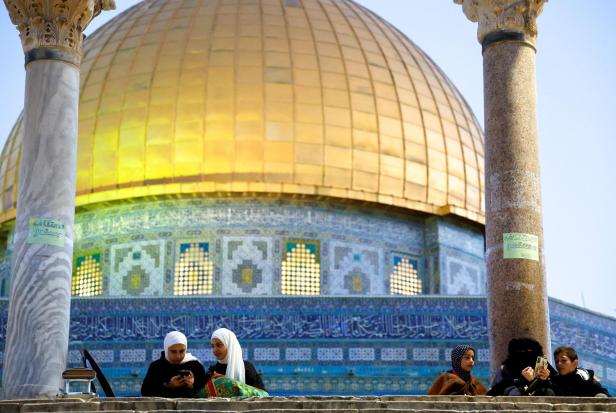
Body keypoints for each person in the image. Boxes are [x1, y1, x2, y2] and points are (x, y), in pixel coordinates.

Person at [141, 331, 207, 398]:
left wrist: (192, 385)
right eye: (173, 352)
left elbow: (205, 392)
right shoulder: (156, 367)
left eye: (182, 351)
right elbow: (146, 392)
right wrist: (169, 386)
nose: (178, 356)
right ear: (166, 349)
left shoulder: (195, 366)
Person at [487, 337, 556, 396]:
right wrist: (521, 381)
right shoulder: (506, 368)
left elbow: (560, 390)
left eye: (530, 354)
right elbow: (493, 393)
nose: (526, 358)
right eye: (520, 354)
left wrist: (546, 381)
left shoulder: (542, 365)